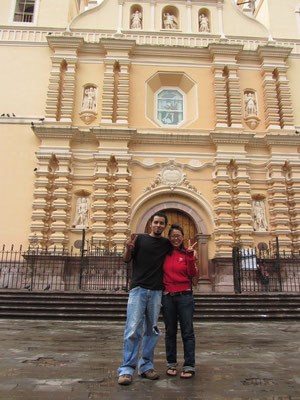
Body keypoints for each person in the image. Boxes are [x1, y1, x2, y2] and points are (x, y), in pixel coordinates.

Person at [118, 212, 171, 385]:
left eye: (162, 223)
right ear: (150, 224)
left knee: (152, 330)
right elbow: (126, 260)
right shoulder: (138, 239)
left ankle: (146, 366)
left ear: (165, 226)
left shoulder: (165, 243)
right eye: (156, 222)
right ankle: (126, 369)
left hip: (156, 291)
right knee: (132, 329)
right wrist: (128, 249)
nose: (158, 225)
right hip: (138, 289)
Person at [162, 224, 198, 379]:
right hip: (168, 296)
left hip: (185, 296)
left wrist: (190, 257)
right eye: (172, 236)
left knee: (187, 332)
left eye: (178, 236)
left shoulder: (187, 253)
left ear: (183, 237)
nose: (175, 239)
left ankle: (189, 365)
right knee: (170, 332)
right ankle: (171, 363)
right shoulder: (163, 254)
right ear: (168, 238)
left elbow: (193, 274)